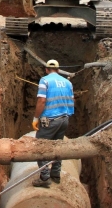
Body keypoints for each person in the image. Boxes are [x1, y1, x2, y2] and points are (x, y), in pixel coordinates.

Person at [31, 59, 75, 188]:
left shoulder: (45, 80)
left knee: (40, 147)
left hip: (50, 121)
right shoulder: (68, 83)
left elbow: (42, 101)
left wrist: (35, 119)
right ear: (58, 69)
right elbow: (72, 100)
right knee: (57, 146)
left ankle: (45, 178)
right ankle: (55, 174)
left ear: (46, 69)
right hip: (64, 119)